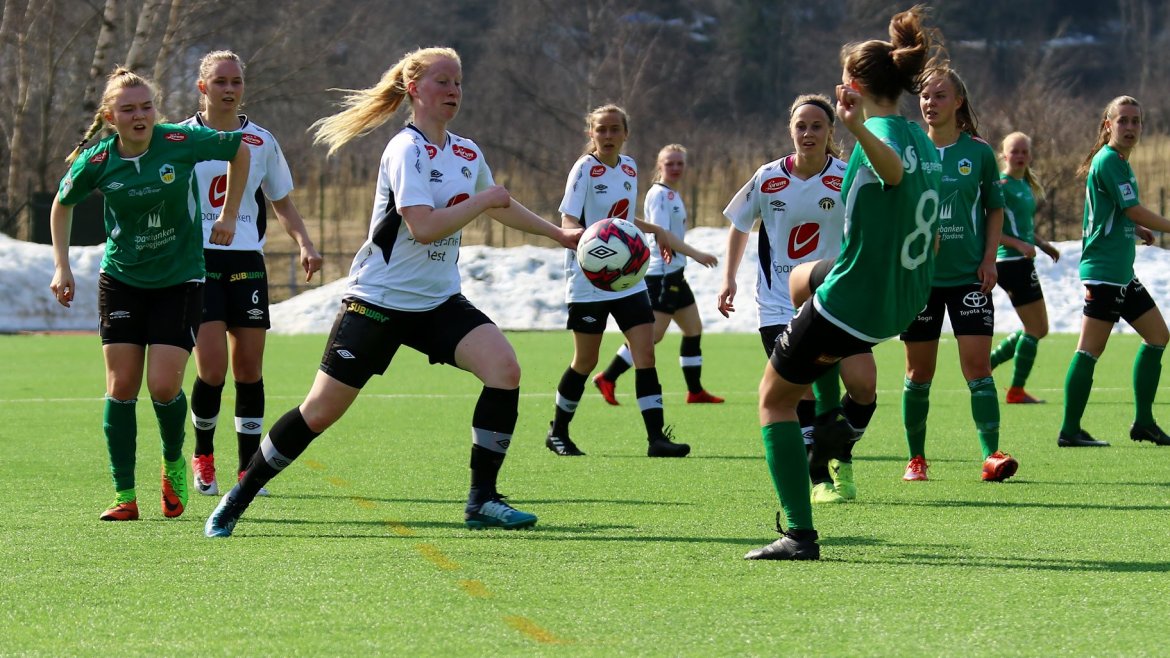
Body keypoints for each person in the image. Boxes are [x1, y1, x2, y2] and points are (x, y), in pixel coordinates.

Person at [204, 47, 583, 538]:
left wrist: (559, 234)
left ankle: (482, 500)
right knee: (319, 412)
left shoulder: (467, 152)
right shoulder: (406, 150)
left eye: (458, 82)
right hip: (377, 302)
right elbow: (423, 227)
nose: (453, 91)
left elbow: (501, 205)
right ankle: (237, 498)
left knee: (504, 369)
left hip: (437, 301)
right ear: (414, 89)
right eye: (443, 81)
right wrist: (483, 200)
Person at [743, 6, 943, 561]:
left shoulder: (875, 134)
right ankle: (842, 420)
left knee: (773, 401)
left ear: (853, 85)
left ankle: (799, 534)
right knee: (801, 280)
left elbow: (891, 173)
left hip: (857, 297)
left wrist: (854, 126)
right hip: (901, 297)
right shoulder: (922, 137)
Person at [49, 67, 250, 521]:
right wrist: (62, 265)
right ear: (110, 117)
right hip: (121, 280)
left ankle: (173, 462)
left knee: (162, 386)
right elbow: (62, 205)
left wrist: (228, 213)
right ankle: (124, 495)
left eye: (146, 106)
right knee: (121, 387)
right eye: (128, 109)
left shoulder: (180, 141)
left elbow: (238, 150)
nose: (140, 116)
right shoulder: (97, 161)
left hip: (180, 280)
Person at [719, 94, 877, 505]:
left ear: (830, 131)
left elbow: (871, 225)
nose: (808, 133)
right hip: (779, 305)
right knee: (801, 391)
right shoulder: (768, 177)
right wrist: (729, 278)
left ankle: (841, 451)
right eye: (801, 126)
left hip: (838, 301)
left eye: (817, 126)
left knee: (864, 385)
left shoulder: (847, 175)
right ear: (790, 130)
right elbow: (740, 224)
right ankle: (819, 479)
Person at [183, 50, 324, 498]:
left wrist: (304, 242)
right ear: (202, 87)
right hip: (198, 262)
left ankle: (248, 468)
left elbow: (281, 201)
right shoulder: (181, 138)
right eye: (220, 81)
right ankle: (203, 456)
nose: (229, 89)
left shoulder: (261, 140)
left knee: (249, 369)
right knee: (212, 369)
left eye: (236, 81)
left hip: (246, 263)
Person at [545, 104, 702, 459]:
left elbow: (625, 220)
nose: (608, 135)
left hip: (629, 277)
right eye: (601, 129)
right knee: (585, 360)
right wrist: (589, 241)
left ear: (626, 133)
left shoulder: (629, 167)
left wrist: (657, 230)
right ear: (591, 133)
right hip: (589, 279)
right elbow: (568, 219)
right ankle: (558, 432)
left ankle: (656, 439)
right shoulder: (584, 169)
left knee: (645, 352)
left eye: (615, 129)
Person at [898, 66, 1018, 483]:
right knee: (919, 374)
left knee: (979, 368)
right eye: (925, 96)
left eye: (940, 96)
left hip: (969, 276)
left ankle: (991, 456)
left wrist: (990, 259)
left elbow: (994, 209)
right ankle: (916, 459)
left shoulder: (979, 153)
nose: (930, 103)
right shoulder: (910, 149)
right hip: (921, 279)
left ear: (958, 101)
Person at [1059, 95, 1170, 448]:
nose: (1130, 127)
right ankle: (1069, 430)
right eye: (1123, 120)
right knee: (1088, 351)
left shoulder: (1119, 161)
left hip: (1121, 272)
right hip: (1105, 272)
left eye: (1136, 121)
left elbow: (1115, 211)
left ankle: (1144, 422)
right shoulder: (1109, 160)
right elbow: (1133, 209)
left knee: (1158, 336)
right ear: (1108, 125)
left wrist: (1135, 229)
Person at [593, 144, 721, 406]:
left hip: (675, 274)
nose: (675, 168)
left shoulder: (673, 194)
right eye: (669, 163)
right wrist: (696, 253)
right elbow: (663, 235)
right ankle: (608, 376)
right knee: (652, 337)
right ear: (659, 166)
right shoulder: (659, 195)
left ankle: (695, 391)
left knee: (693, 329)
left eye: (679, 163)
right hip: (661, 275)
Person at [989, 132, 1060, 404]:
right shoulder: (1001, 185)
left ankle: (989, 363)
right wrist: (1019, 245)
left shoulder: (1024, 185)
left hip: (1021, 261)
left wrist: (1042, 244)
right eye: (1014, 151)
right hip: (1010, 263)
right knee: (1035, 328)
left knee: (1038, 328)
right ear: (1003, 155)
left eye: (1024, 151)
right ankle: (1016, 391)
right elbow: (988, 228)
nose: (1019, 156)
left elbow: (1022, 227)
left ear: (1030, 155)